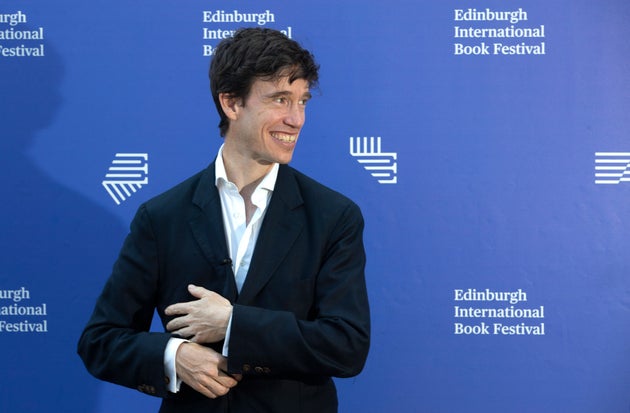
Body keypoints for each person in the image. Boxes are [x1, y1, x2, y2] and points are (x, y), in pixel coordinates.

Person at [77, 27, 370, 413]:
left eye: (302, 101)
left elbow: (346, 345)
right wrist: (174, 355)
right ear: (232, 104)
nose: (296, 119)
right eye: (280, 99)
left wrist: (234, 325)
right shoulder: (162, 216)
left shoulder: (334, 216)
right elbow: (100, 341)